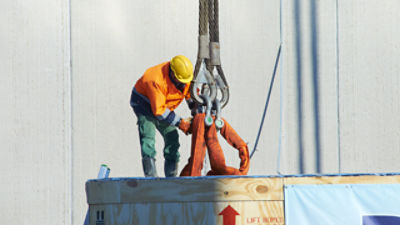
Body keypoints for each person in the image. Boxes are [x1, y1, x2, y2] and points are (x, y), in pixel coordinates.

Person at [130, 55, 193, 177]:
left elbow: (189, 94)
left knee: (172, 137)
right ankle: (151, 177)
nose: (184, 84)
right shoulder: (155, 79)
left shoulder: (184, 76)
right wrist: (180, 123)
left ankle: (171, 178)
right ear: (173, 74)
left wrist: (196, 109)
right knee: (148, 138)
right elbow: (159, 111)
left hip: (162, 105)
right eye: (181, 81)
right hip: (143, 105)